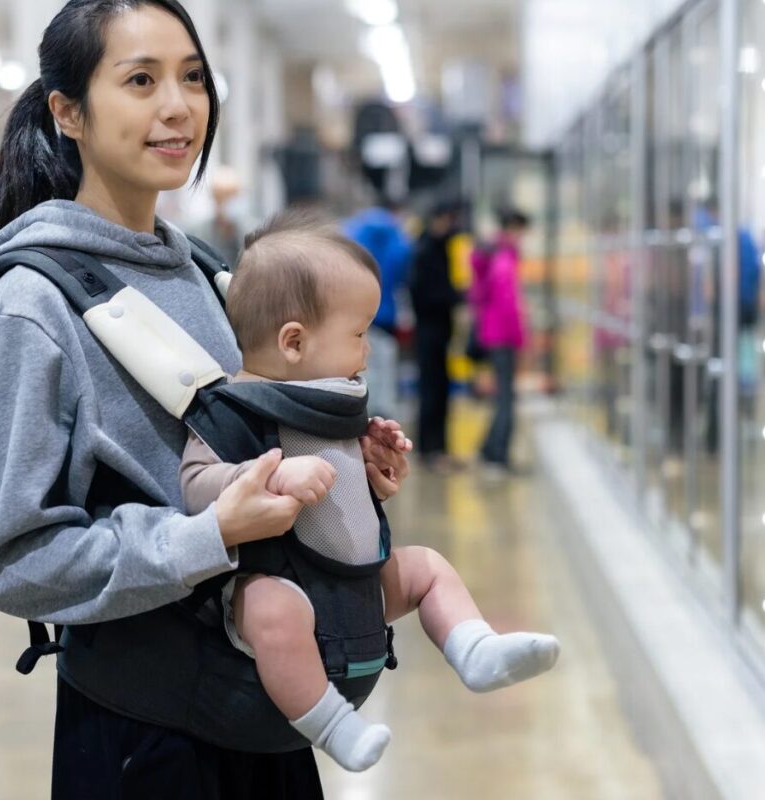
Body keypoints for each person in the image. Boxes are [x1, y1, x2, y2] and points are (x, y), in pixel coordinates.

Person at [0, 3, 412, 797]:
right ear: (68, 113)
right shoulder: (30, 307)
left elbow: (242, 446)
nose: (179, 106)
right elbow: (11, 560)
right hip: (147, 735)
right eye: (140, 80)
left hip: (266, 708)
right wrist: (206, 535)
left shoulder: (205, 273)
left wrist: (340, 473)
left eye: (193, 78)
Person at [179, 211, 560, 772]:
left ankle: (475, 648)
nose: (368, 350)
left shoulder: (329, 404)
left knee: (427, 565)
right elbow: (193, 485)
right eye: (358, 334)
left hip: (355, 587)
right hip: (289, 588)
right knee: (269, 607)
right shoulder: (230, 411)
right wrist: (268, 477)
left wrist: (369, 466)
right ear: (293, 342)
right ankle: (331, 723)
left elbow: (342, 502)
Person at [407, 200, 466, 471]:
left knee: (440, 391)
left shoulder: (436, 247)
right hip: (430, 332)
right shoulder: (426, 250)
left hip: (438, 332)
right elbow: (426, 293)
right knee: (432, 392)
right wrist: (456, 296)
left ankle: (438, 449)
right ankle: (431, 451)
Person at [470, 209, 530, 472]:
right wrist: (520, 338)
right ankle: (498, 454)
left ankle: (489, 448)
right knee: (506, 397)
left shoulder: (491, 254)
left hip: (492, 333)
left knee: (502, 396)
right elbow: (508, 305)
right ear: (514, 227)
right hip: (503, 336)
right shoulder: (504, 259)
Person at [343, 197, 413, 420]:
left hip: (353, 311)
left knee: (360, 364)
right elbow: (404, 273)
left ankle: (362, 409)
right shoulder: (399, 238)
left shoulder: (353, 232)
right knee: (386, 366)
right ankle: (383, 414)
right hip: (386, 313)